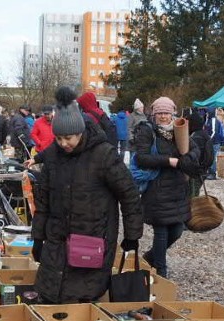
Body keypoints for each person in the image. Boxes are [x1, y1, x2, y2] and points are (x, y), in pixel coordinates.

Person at [32, 87, 142, 304]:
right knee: (50, 295)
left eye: (69, 138)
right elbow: (43, 199)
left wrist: (132, 235)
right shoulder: (52, 156)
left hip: (92, 237)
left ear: (80, 132)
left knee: (83, 299)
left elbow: (129, 194)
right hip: (56, 239)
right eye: (59, 138)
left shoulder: (104, 155)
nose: (64, 144)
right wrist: (38, 237)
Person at [135, 96, 200, 278]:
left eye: (166, 113)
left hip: (178, 189)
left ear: (173, 113)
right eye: (160, 113)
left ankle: (149, 257)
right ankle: (161, 272)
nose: (163, 117)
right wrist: (168, 161)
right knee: (161, 231)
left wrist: (189, 158)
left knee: (177, 230)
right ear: (154, 114)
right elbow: (141, 158)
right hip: (157, 189)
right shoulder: (148, 131)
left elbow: (195, 149)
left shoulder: (179, 129)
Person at [188, 111, 213, 197]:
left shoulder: (195, 137)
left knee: (192, 196)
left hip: (196, 171)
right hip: (203, 170)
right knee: (194, 193)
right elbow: (210, 156)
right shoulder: (205, 135)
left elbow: (194, 156)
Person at [208, 107, 224, 179]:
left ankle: (213, 174)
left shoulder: (213, 120)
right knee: (211, 157)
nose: (206, 114)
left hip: (215, 142)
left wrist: (208, 140)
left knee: (212, 158)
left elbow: (213, 132)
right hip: (214, 142)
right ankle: (211, 172)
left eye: (207, 112)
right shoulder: (211, 119)